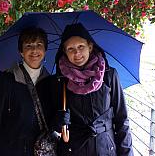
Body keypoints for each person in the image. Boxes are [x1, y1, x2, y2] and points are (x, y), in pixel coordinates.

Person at [39, 23, 133, 156]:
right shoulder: (58, 81)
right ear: (64, 52)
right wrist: (57, 122)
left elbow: (122, 119)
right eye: (70, 49)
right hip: (73, 150)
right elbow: (48, 123)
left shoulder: (109, 75)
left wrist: (127, 153)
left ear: (90, 46)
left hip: (106, 149)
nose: (76, 53)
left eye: (81, 46)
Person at [0, 27, 52, 156]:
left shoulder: (52, 84)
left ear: (45, 50)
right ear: (21, 52)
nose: (34, 50)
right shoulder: (4, 81)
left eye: (39, 45)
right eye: (28, 45)